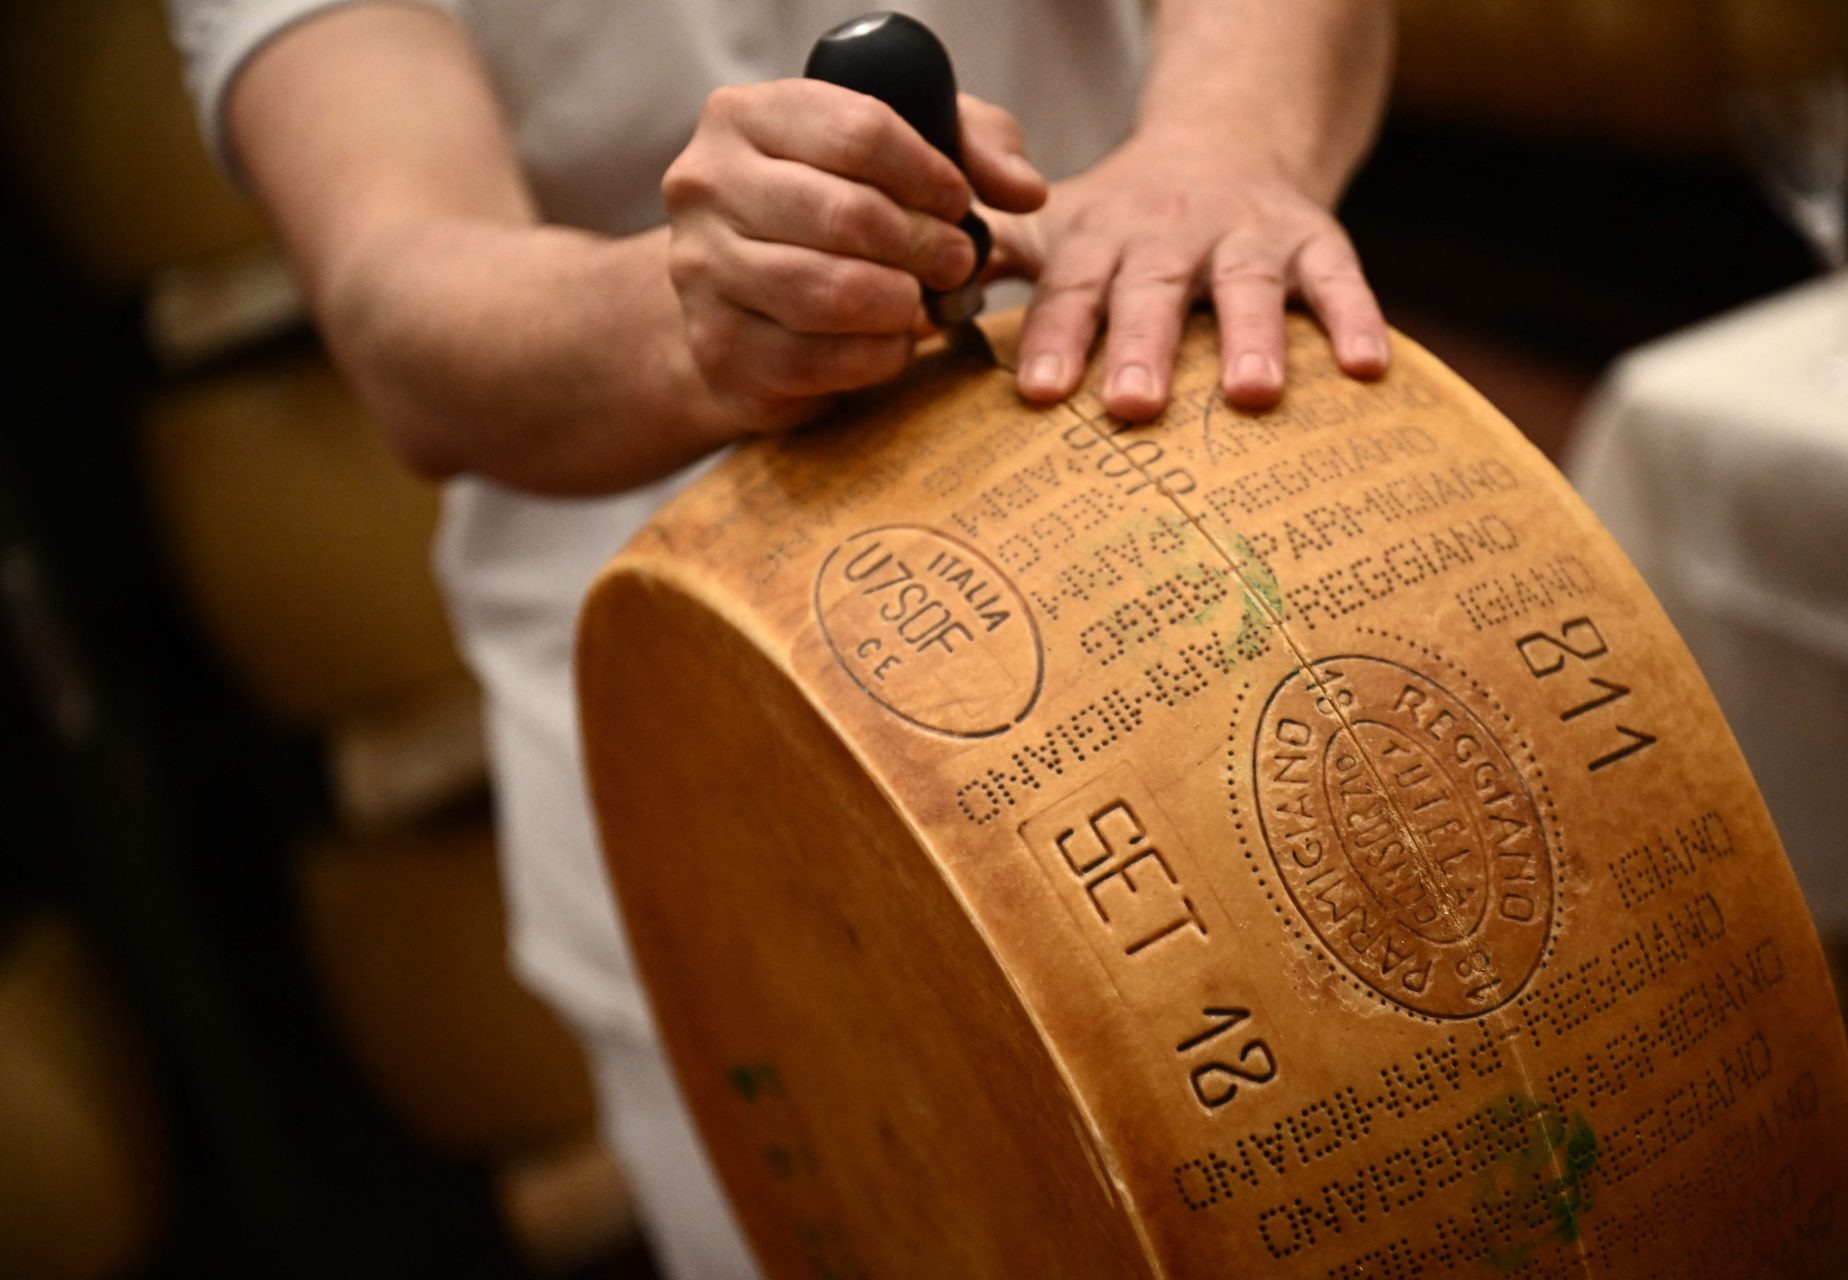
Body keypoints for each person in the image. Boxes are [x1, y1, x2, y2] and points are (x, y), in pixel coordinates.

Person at [166, 1, 1394, 1274]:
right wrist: (694, 312)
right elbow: (397, 291)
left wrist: (1219, 143)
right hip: (724, 797)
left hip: (1198, 578)